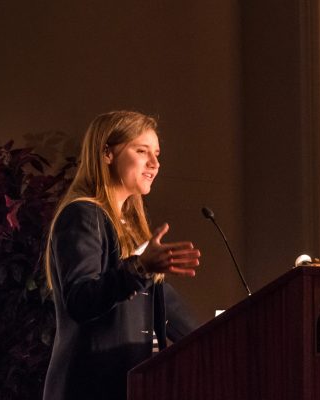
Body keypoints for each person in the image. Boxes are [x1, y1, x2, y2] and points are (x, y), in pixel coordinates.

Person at [42, 110, 201, 400]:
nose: (155, 163)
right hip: (89, 388)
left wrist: (227, 335)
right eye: (142, 151)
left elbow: (168, 309)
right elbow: (81, 300)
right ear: (107, 153)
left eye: (157, 154)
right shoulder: (82, 215)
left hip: (128, 387)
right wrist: (139, 268)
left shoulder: (131, 229)